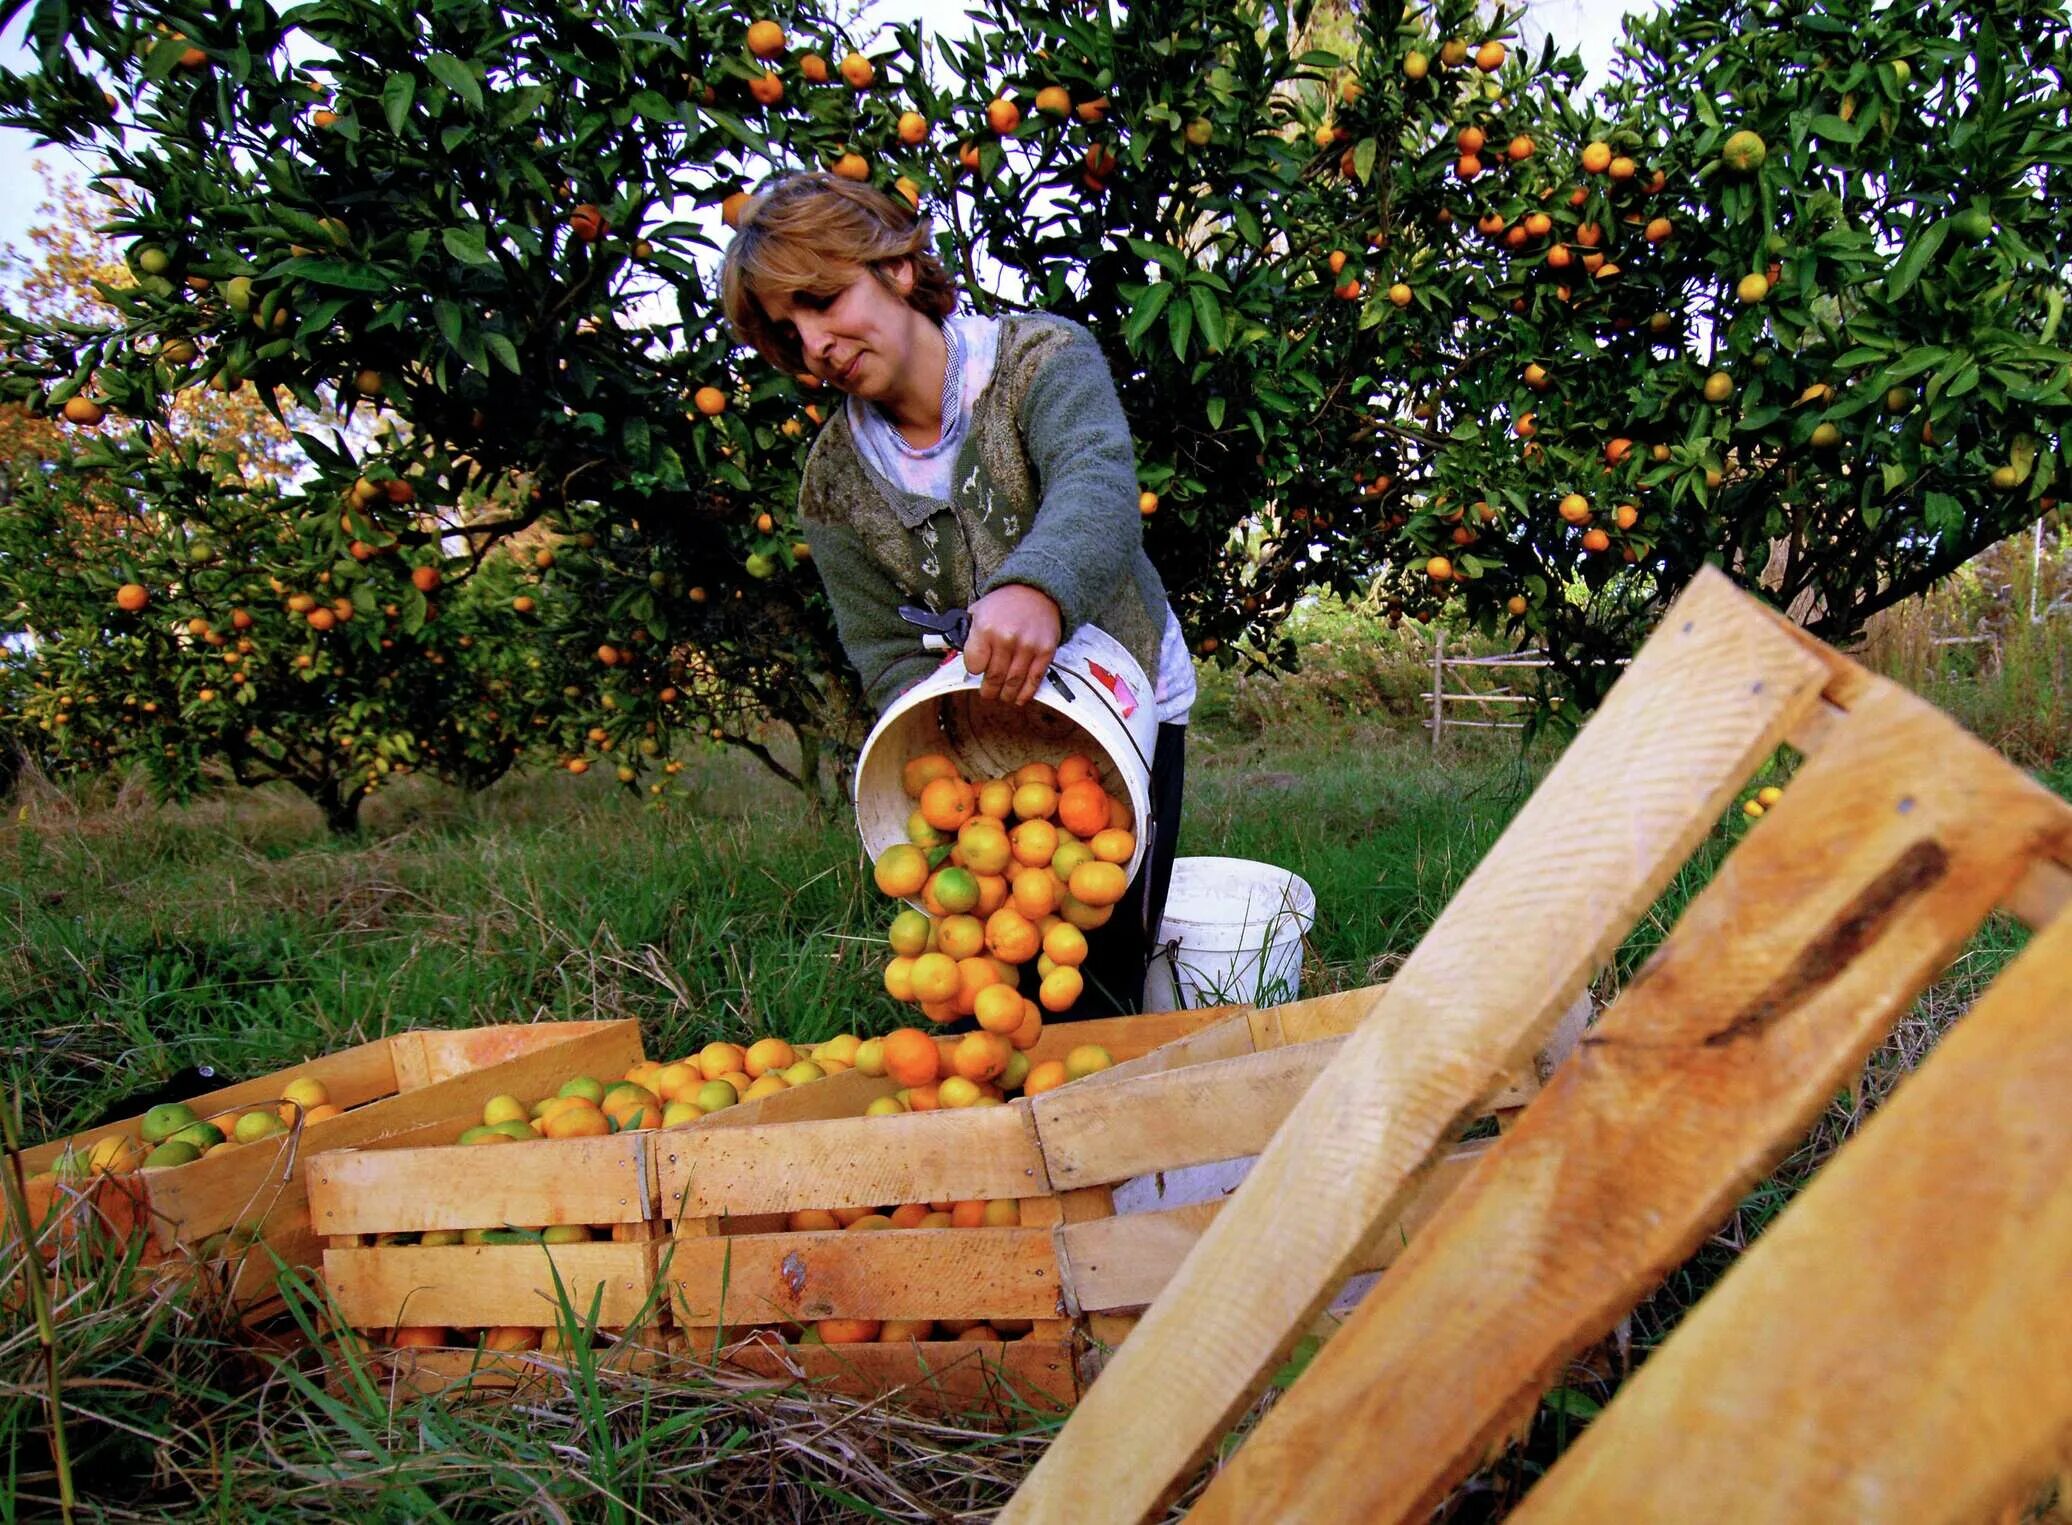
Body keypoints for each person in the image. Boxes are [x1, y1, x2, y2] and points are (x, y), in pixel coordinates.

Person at [719, 171, 1193, 1019]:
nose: (817, 344)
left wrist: (1036, 589)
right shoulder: (834, 483)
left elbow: (1097, 483)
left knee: (1104, 955)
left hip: (1124, 700)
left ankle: (1121, 1114)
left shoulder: (1038, 363)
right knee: (999, 970)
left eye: (824, 301)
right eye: (792, 337)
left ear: (896, 268)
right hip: (983, 752)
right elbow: (883, 650)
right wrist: (934, 738)